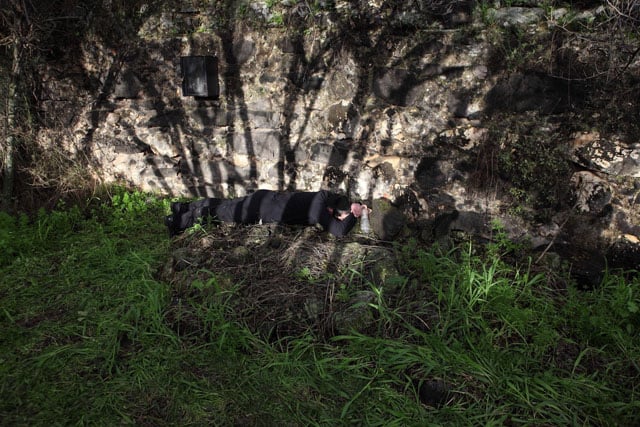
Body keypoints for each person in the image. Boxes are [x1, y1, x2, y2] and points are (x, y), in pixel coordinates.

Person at [164, 189, 370, 237]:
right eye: (339, 214)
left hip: (264, 198)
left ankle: (183, 207)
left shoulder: (322, 196)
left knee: (225, 204)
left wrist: (352, 207)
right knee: (220, 212)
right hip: (260, 209)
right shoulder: (318, 210)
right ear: (333, 210)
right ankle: (179, 221)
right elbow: (339, 230)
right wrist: (355, 214)